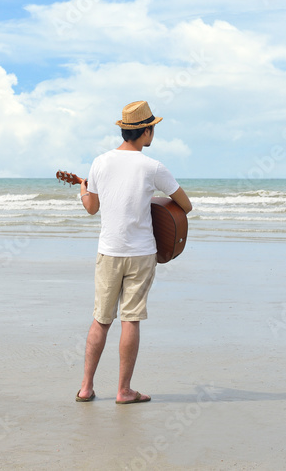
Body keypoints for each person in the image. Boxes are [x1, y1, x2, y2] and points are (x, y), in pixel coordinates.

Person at [75, 100, 192, 404]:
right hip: (141, 253)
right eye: (152, 128)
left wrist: (83, 190)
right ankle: (124, 391)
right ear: (145, 132)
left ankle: (86, 388)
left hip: (109, 251)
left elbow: (92, 209)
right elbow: (186, 205)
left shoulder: (100, 162)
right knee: (131, 320)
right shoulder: (153, 167)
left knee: (101, 319)